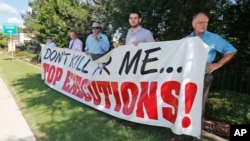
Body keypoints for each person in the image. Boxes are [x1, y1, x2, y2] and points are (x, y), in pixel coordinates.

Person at [168, 12, 237, 141]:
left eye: (205, 22)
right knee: (182, 104)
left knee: (198, 107)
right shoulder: (187, 39)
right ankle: (178, 135)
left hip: (203, 77)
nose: (203, 25)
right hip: (186, 77)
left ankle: (195, 137)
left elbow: (231, 50)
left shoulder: (214, 38)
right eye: (200, 22)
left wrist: (218, 64)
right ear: (193, 24)